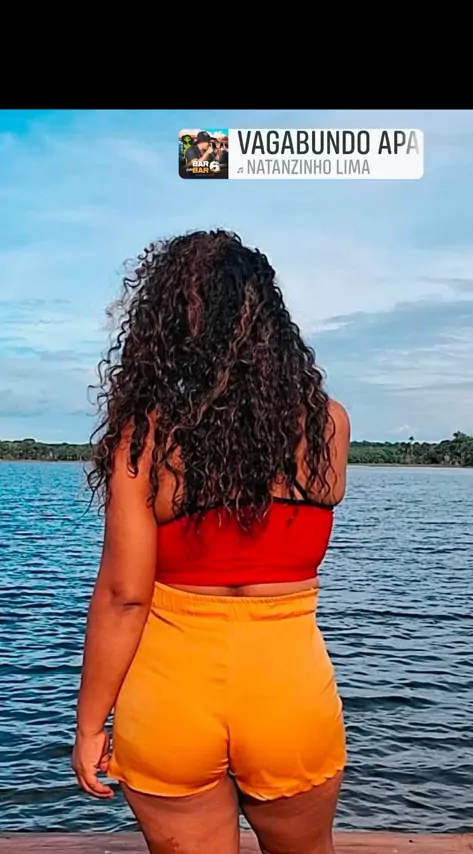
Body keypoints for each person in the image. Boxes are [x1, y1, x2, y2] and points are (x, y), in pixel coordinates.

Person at [72, 229, 350, 854]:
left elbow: (124, 596)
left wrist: (90, 726)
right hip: (287, 693)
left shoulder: (145, 440)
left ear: (165, 329)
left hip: (171, 695)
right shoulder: (326, 424)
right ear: (268, 318)